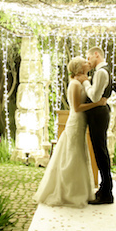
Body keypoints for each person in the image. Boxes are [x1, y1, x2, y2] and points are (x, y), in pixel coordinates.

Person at [34, 56, 107, 208]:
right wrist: (97, 103)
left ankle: (79, 191)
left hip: (81, 123)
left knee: (79, 154)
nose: (88, 63)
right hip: (75, 122)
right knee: (73, 155)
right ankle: (69, 192)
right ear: (79, 68)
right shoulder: (74, 84)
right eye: (85, 62)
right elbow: (76, 108)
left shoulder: (82, 82)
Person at [82, 46, 114, 204]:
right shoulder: (102, 71)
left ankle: (107, 192)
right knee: (100, 151)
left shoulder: (101, 72)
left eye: (88, 58)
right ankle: (104, 188)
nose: (88, 61)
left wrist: (86, 83)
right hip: (98, 113)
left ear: (96, 55)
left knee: (101, 152)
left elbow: (95, 97)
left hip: (99, 114)